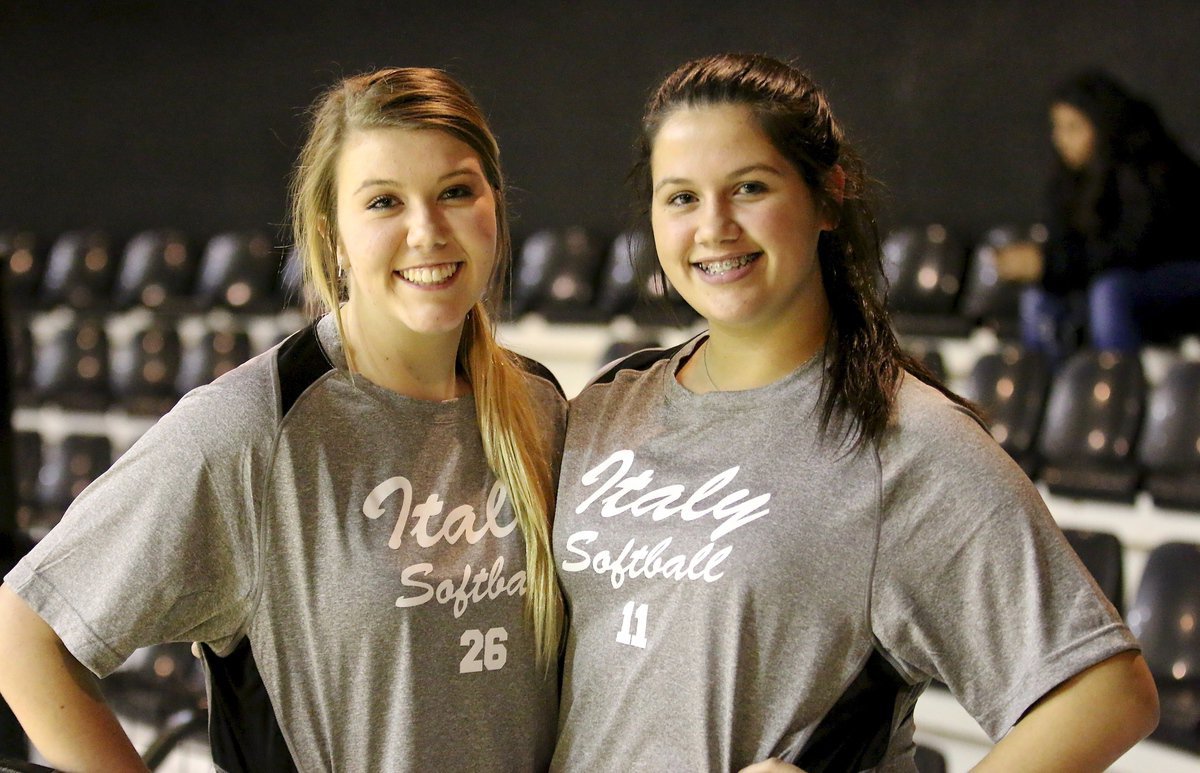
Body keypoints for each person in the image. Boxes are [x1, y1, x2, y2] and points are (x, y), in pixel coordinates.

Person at [550, 54, 1158, 772]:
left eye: (749, 186)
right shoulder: (607, 404)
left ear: (828, 197)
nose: (713, 226)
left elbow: (1105, 692)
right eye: (680, 197)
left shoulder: (901, 440)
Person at [0, 67, 565, 771]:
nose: (428, 231)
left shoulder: (539, 407)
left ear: (495, 206)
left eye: (455, 191)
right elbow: (25, 635)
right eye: (384, 202)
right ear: (331, 236)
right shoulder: (253, 429)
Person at [996, 69, 1200, 364]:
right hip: (1113, 275)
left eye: (1073, 127)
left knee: (1110, 291)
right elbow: (1066, 243)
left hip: (1179, 274)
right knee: (1038, 296)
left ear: (1103, 125)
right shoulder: (1070, 180)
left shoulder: (1150, 167)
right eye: (1057, 128)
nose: (1061, 139)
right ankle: (1049, 393)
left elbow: (1137, 249)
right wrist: (1039, 265)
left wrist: (1048, 264)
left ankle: (1114, 391)